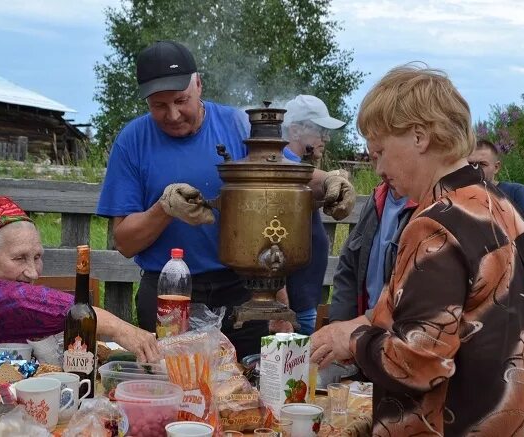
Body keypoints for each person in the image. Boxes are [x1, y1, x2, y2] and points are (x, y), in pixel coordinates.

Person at [310, 65, 524, 435]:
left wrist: (354, 340)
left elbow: (418, 363)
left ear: (419, 137)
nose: (377, 168)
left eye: (379, 151)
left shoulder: (436, 223)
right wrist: (361, 323)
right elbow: (456, 316)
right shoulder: (502, 208)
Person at [96, 40, 356, 359]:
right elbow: (124, 242)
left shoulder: (237, 124)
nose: (173, 114)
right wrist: (163, 209)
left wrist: (330, 180)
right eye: (159, 106)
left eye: (181, 100)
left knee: (247, 388)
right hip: (170, 294)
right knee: (173, 386)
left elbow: (288, 171)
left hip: (243, 292)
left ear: (199, 85)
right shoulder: (132, 141)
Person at [0, 196, 160, 399]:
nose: (33, 272)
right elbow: (27, 303)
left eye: (37, 257)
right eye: (19, 258)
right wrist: (121, 329)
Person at [270, 95, 345, 335]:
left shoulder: (302, 170)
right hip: (294, 304)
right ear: (294, 130)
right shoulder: (288, 169)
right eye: (320, 130)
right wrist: (283, 308)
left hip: (303, 300)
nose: (325, 138)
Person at [329, 181, 415, 322]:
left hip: (402, 335)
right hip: (368, 334)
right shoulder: (377, 197)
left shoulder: (433, 203)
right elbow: (349, 266)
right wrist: (340, 323)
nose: (373, 157)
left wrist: (365, 323)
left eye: (382, 156)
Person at [468, 138, 524, 244]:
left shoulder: (516, 192)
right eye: (471, 164)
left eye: (482, 164)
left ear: (496, 167)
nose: (475, 169)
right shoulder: (460, 195)